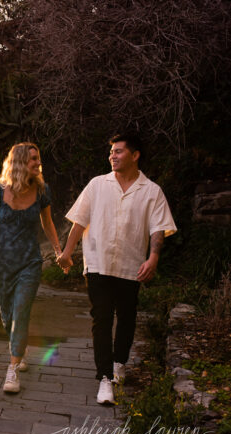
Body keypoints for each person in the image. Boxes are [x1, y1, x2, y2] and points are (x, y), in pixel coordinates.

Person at [57, 133, 177, 405]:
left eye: (119, 151)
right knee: (101, 318)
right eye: (111, 151)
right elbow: (79, 221)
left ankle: (119, 361)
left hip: (130, 265)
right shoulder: (97, 185)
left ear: (135, 155)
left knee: (126, 317)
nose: (113, 155)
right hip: (98, 262)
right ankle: (104, 378)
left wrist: (153, 258)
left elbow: (158, 227)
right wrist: (66, 252)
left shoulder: (151, 191)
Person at [0, 142, 62, 393]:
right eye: (34, 159)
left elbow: (48, 224)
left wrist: (59, 251)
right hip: (2, 263)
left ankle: (13, 370)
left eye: (38, 159)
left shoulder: (42, 191)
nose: (39, 163)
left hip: (30, 262)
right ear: (19, 162)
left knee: (21, 313)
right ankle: (20, 347)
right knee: (7, 316)